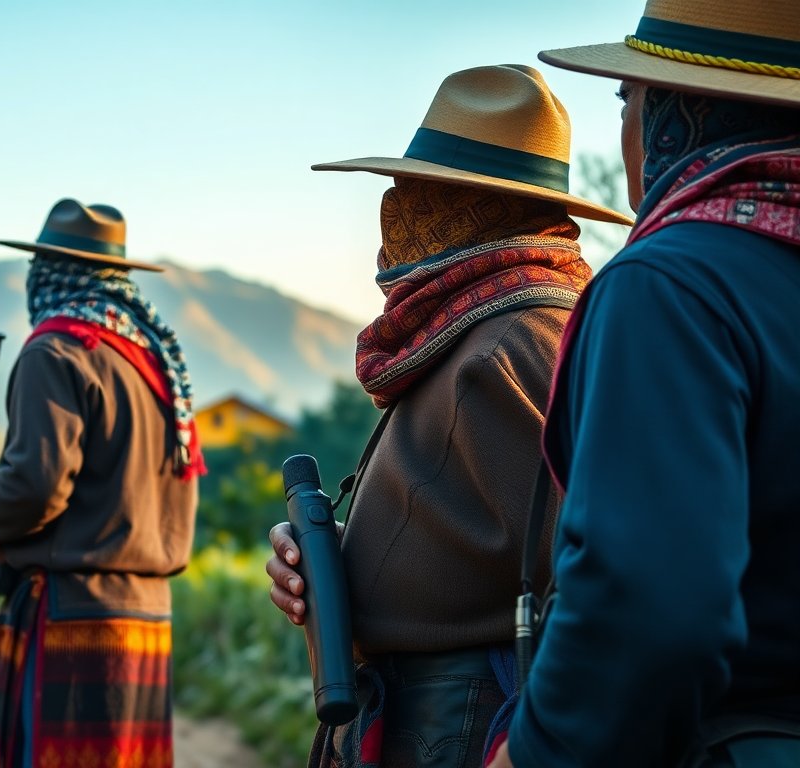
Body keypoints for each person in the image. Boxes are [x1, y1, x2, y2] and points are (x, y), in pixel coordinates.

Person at [264, 65, 633, 768]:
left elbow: (603, 577)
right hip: (431, 719)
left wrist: (531, 746)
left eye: (416, 191)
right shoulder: (474, 326)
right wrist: (340, 557)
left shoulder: (514, 341)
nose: (397, 210)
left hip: (464, 729)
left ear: (458, 206)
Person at [487, 2, 800, 766]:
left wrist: (538, 751)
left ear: (677, 113)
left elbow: (652, 611)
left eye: (629, 97)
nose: (625, 121)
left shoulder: (672, 283)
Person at [0, 198, 203, 768]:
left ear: (48, 272)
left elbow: (34, 488)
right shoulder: (155, 359)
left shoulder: (55, 350)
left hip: (71, 615)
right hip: (147, 614)